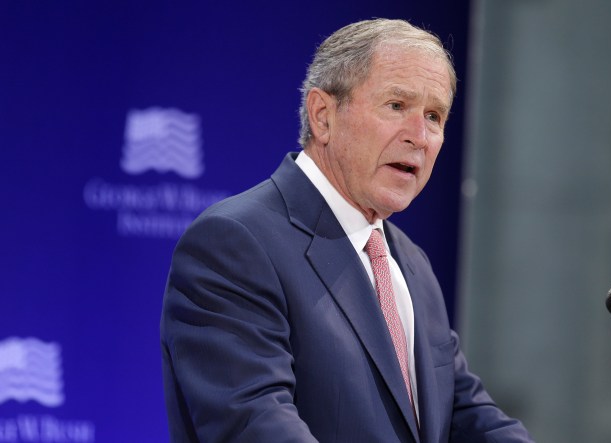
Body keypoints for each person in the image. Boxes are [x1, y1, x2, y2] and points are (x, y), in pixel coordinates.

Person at [160, 18, 533, 443]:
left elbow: (466, 414)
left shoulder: (410, 262)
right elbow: (254, 422)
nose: (419, 136)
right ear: (323, 116)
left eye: (434, 116)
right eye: (396, 105)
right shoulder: (235, 243)